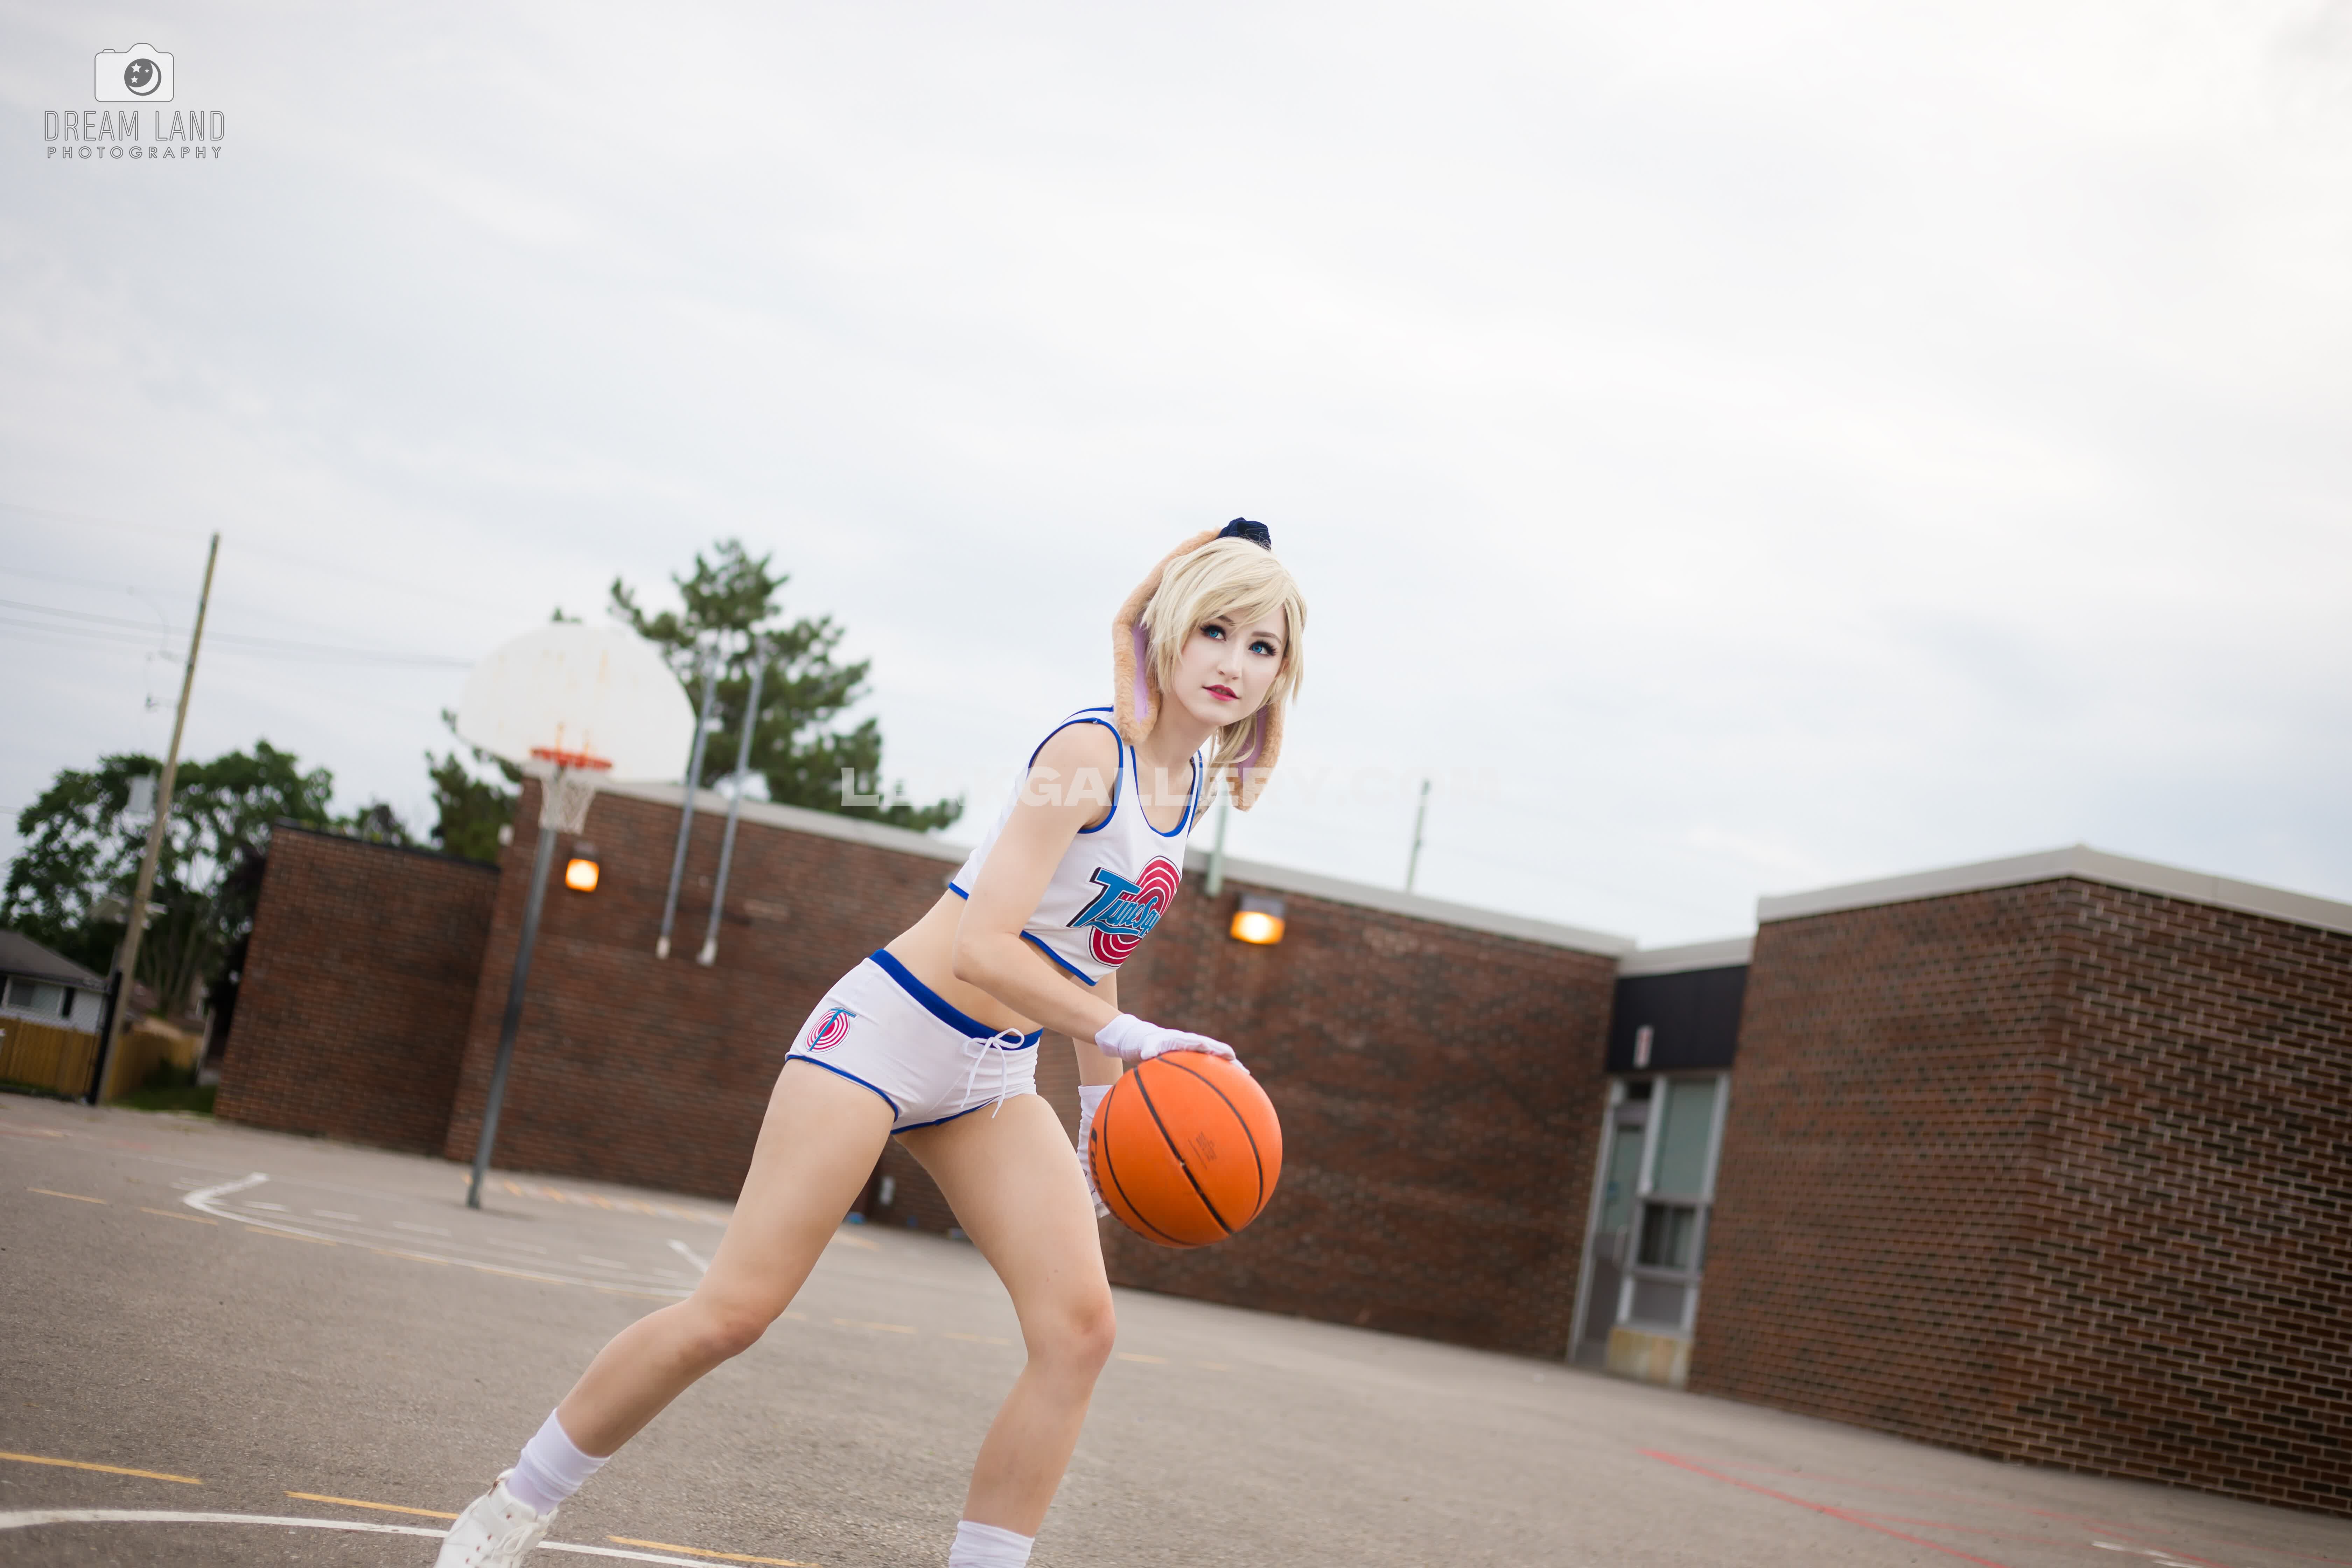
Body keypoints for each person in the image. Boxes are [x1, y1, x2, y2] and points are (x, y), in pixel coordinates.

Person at [434, 520, 1307, 1568]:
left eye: (1261, 645)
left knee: (1081, 1334)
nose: (1233, 661)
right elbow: (985, 946)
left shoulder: (1190, 789)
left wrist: (1099, 1110)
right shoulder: (1088, 755)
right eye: (1215, 629)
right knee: (733, 1314)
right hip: (887, 1034)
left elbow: (1096, 949)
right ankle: (514, 1506)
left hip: (993, 1075)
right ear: (1168, 630)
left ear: (1281, 676)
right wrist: (1130, 1036)